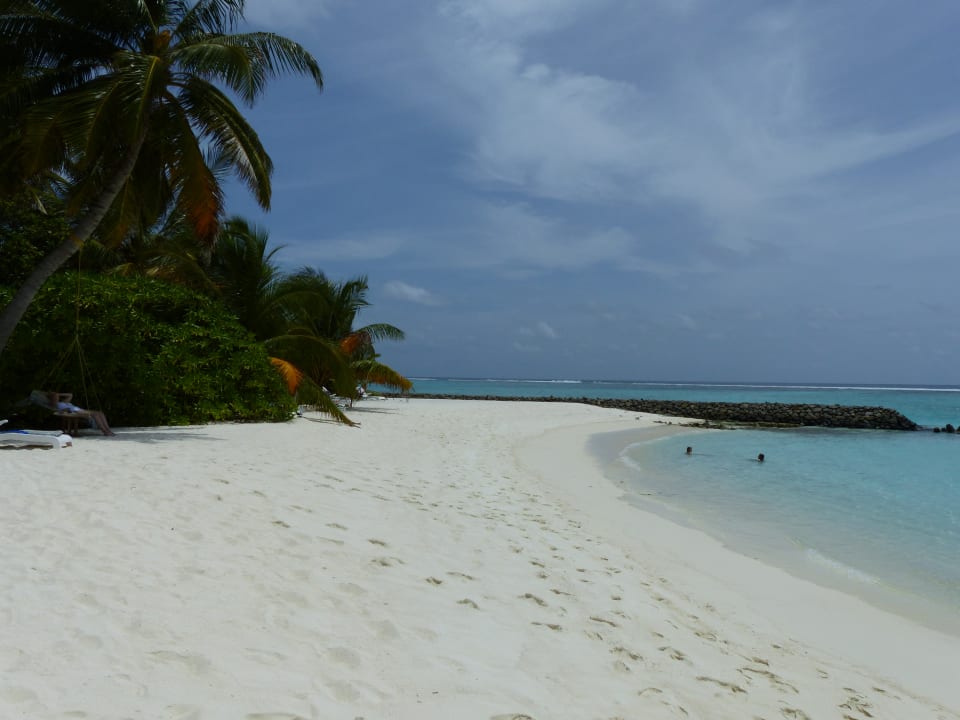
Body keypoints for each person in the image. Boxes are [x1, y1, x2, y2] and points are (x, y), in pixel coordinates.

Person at [46, 392, 116, 436]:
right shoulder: (55, 405)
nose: (57, 397)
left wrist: (59, 394)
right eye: (55, 396)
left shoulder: (63, 402)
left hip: (78, 409)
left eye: (57, 396)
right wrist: (53, 396)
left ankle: (108, 430)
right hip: (74, 411)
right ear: (52, 398)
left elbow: (70, 394)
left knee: (100, 413)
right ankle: (105, 431)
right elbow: (61, 410)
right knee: (95, 415)